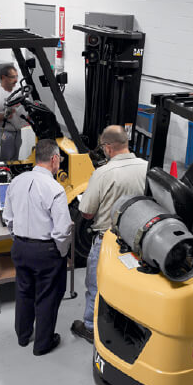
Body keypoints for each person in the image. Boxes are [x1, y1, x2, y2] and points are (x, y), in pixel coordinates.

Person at [70, 125, 148, 343]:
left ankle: (89, 326)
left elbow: (86, 212)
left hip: (108, 241)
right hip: (138, 241)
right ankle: (126, 325)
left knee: (96, 285)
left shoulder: (103, 173)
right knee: (131, 286)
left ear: (108, 147)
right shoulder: (147, 167)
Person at [2, 139, 73, 356]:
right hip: (46, 252)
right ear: (54, 159)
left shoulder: (16, 181)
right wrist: (60, 253)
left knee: (23, 291)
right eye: (59, 159)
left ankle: (23, 336)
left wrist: (20, 240)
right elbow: (62, 230)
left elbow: (8, 218)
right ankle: (42, 344)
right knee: (47, 296)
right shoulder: (55, 189)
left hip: (21, 248)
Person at [0, 65, 26, 161]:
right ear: (3, 77)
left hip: (15, 130)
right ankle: (3, 166)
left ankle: (12, 167)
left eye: (16, 77)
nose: (15, 80)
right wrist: (4, 115)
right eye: (12, 77)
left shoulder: (18, 92)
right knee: (8, 139)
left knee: (17, 144)